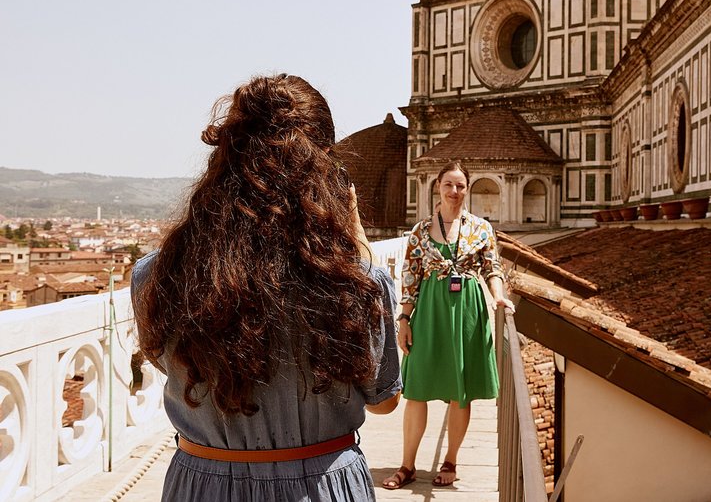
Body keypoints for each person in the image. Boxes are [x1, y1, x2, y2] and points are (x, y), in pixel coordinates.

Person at [131, 74, 401, 502]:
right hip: (322, 484)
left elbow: (177, 368)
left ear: (223, 160)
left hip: (204, 485)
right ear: (327, 170)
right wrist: (359, 248)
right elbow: (384, 401)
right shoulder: (359, 283)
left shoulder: (154, 278)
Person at [382, 160, 514, 489]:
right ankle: (407, 465)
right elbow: (410, 280)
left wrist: (498, 297)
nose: (454, 191)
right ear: (437, 188)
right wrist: (404, 320)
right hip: (429, 312)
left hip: (468, 312)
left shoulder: (481, 229)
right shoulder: (419, 232)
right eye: (448, 185)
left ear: (466, 190)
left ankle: (451, 459)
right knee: (416, 390)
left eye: (460, 186)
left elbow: (492, 268)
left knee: (461, 392)